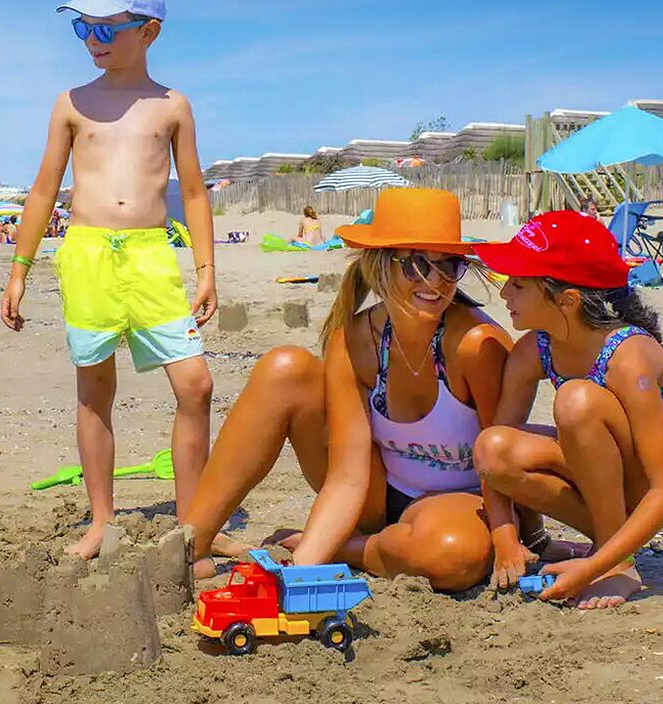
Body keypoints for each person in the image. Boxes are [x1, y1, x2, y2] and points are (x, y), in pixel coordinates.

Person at [186, 189, 512, 590]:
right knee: (283, 368)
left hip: (460, 505)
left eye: (449, 265)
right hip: (376, 495)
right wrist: (299, 575)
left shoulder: (477, 345)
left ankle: (351, 549)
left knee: (451, 554)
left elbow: (508, 463)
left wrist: (522, 539)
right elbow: (347, 478)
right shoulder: (355, 339)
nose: (435, 281)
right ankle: (189, 546)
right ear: (380, 266)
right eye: (415, 265)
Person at [1, 0, 218, 559]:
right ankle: (101, 522)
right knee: (95, 389)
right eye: (83, 29)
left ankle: (193, 522)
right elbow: (45, 189)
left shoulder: (172, 105)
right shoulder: (72, 104)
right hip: (88, 253)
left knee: (195, 384)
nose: (93, 40)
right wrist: (19, 269)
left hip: (151, 256)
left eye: (107, 28)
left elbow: (194, 192)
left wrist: (206, 269)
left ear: (148, 32)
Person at [472, 211, 663, 608]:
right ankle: (607, 547)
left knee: (575, 401)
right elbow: (493, 459)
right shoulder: (535, 349)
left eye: (517, 284)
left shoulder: (627, 354)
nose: (504, 296)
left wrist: (595, 566)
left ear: (567, 299)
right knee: (492, 448)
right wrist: (505, 539)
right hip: (618, 473)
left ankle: (618, 565)